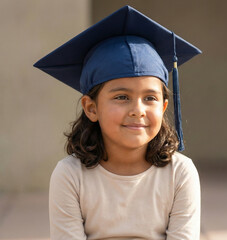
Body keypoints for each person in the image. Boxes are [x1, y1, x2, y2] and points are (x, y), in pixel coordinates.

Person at [34, 5, 201, 240]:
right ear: (91, 108)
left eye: (150, 98)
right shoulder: (70, 175)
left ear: (163, 107)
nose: (138, 110)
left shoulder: (180, 173)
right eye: (122, 97)